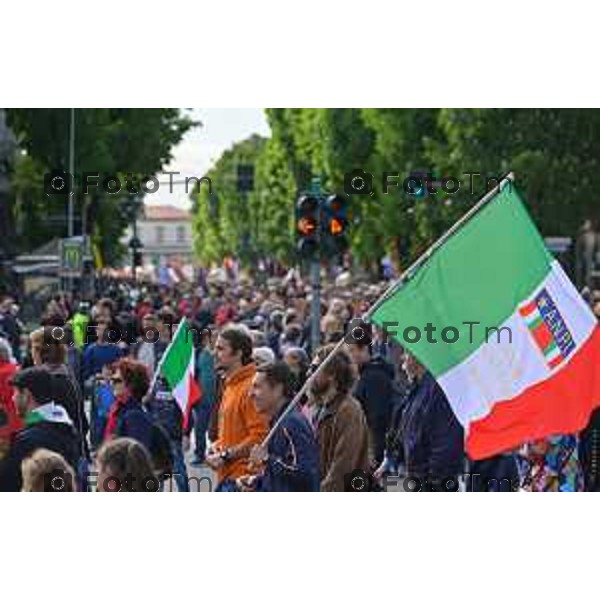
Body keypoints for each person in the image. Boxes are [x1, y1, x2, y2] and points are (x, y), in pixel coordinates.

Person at [239, 362, 319, 492]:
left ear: (277, 389)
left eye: (257, 387)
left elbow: (306, 474)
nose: (250, 394)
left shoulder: (292, 423)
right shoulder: (278, 420)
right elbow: (281, 473)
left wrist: (266, 459)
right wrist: (256, 482)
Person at [206, 326, 268, 491]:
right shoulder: (231, 384)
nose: (214, 353)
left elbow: (259, 436)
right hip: (226, 477)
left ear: (238, 353)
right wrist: (215, 447)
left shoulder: (251, 386)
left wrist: (225, 455)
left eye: (220, 348)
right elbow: (233, 434)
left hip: (241, 479)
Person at [0, 367, 80, 492]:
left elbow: (7, 484)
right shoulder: (66, 427)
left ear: (26, 395)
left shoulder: (27, 440)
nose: (13, 398)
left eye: (15, 393)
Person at [398, 352, 464, 491]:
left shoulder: (437, 389)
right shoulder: (420, 386)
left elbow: (445, 446)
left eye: (406, 352)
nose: (402, 357)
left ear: (418, 356)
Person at [309, 345, 370, 491]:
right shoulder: (320, 407)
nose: (308, 374)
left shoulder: (348, 410)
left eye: (314, 368)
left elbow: (343, 467)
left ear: (332, 374)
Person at [346, 338, 395, 468]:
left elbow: (378, 417)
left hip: (373, 446)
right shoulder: (365, 374)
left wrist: (372, 450)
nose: (349, 356)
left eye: (352, 350)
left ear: (364, 350)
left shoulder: (374, 376)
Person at [104, 358, 153, 452]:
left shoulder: (135, 415)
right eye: (112, 380)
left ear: (131, 384)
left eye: (117, 380)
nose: (112, 383)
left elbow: (137, 455)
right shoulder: (119, 408)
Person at [191, 327, 216, 466]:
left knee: (216, 429)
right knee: (200, 428)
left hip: (218, 398)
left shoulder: (221, 354)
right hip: (202, 398)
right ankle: (199, 455)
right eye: (212, 336)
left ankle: (215, 454)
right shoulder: (199, 352)